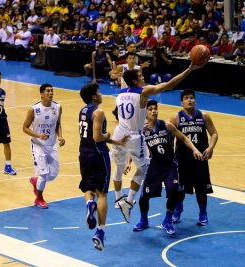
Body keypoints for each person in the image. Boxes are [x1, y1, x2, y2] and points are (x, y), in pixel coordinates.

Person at [112, 63, 206, 223]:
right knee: (142, 168)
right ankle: (128, 201)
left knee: (118, 167)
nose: (144, 78)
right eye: (141, 77)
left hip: (119, 133)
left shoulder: (120, 93)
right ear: (135, 82)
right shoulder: (143, 92)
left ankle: (118, 199)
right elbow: (169, 84)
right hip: (135, 136)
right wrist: (189, 69)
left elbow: (122, 109)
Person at [129, 100, 203, 235]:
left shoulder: (166, 125)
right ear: (145, 113)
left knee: (174, 191)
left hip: (170, 166)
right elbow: (134, 148)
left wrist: (194, 149)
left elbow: (183, 138)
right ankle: (143, 221)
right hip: (154, 168)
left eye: (155, 108)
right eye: (150, 109)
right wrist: (129, 163)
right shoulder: (142, 131)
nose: (154, 111)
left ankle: (167, 221)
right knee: (144, 197)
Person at [79, 83, 128, 251]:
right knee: (102, 194)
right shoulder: (98, 112)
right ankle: (100, 232)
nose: (101, 94)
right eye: (98, 92)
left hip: (84, 154)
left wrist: (116, 141)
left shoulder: (83, 111)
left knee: (88, 188)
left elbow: (91, 134)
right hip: (98, 155)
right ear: (94, 96)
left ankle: (89, 205)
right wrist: (109, 135)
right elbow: (97, 136)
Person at [170, 89, 218, 226]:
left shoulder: (204, 116)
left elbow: (214, 133)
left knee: (201, 188)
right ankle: (178, 209)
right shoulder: (176, 118)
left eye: (191, 97)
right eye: (186, 98)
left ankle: (203, 213)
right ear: (181, 102)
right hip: (181, 159)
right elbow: (170, 138)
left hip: (200, 158)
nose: (189, 100)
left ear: (195, 100)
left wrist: (211, 147)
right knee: (179, 188)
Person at [22, 83, 65, 209]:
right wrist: (38, 135)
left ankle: (35, 182)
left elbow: (58, 124)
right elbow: (24, 128)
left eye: (52, 91)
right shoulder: (33, 109)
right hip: (38, 145)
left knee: (52, 175)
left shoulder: (57, 107)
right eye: (48, 91)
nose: (51, 93)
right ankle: (39, 198)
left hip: (52, 145)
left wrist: (60, 136)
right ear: (41, 94)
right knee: (44, 174)